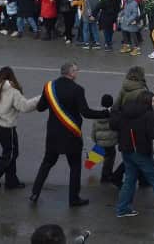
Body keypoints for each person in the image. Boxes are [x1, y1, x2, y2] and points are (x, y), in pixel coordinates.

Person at [30, 61, 109, 206]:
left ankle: (35, 193)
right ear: (71, 73)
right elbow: (86, 113)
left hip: (53, 134)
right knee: (74, 167)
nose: (77, 73)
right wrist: (105, 113)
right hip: (71, 135)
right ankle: (73, 198)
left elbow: (40, 108)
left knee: (46, 164)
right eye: (76, 71)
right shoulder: (77, 89)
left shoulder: (49, 87)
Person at [111, 87, 154, 223]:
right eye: (153, 101)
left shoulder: (125, 110)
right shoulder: (148, 115)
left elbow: (114, 124)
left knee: (130, 179)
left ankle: (122, 209)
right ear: (147, 102)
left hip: (126, 150)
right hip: (140, 152)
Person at [0, 66, 40, 188]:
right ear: (12, 77)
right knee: (10, 154)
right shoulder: (13, 91)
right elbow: (24, 107)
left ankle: (11, 181)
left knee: (10, 152)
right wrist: (40, 98)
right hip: (8, 126)